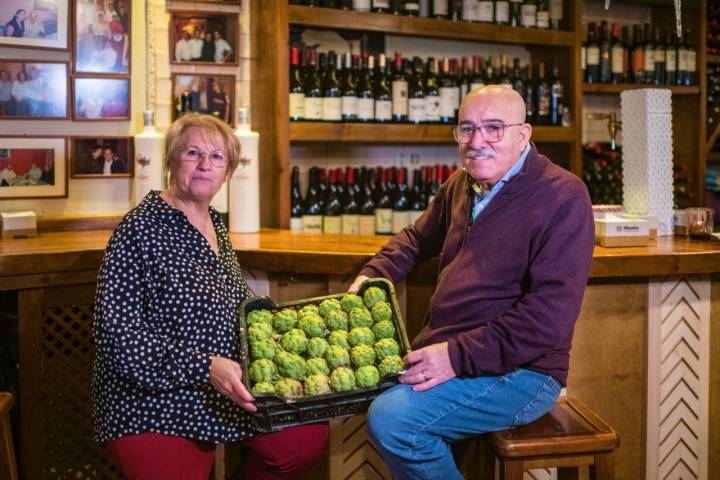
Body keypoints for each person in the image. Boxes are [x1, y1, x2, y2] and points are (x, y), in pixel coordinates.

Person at [348, 86, 595, 479]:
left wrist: (453, 357)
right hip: (457, 355)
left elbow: (547, 319)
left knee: (395, 420)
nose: (477, 142)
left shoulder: (563, 196)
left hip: (524, 373)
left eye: (494, 128)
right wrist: (373, 274)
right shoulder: (461, 185)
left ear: (523, 134)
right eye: (467, 129)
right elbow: (416, 239)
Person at [92, 113, 328, 479]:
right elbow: (118, 336)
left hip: (226, 386)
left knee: (303, 440)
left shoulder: (215, 223)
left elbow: (236, 301)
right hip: (154, 397)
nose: (205, 165)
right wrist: (205, 367)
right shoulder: (139, 228)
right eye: (192, 153)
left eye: (217, 157)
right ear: (170, 160)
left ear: (228, 170)